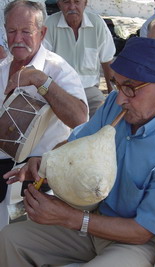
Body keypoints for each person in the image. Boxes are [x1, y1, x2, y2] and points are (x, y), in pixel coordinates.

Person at [1, 37, 155, 267]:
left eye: (131, 87)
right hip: (98, 219)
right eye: (117, 84)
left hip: (147, 242)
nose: (121, 97)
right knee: (10, 239)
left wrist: (70, 218)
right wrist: (45, 160)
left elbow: (143, 231)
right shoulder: (117, 102)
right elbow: (77, 144)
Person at [0, 0, 88, 231]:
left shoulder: (57, 69)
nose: (18, 38)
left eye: (26, 32)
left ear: (42, 32)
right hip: (3, 163)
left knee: (14, 233)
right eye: (11, 31)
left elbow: (80, 119)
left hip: (36, 172)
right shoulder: (2, 68)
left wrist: (42, 82)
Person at [44, 0, 116, 118]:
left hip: (89, 91)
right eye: (66, 2)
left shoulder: (97, 24)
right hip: (59, 90)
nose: (72, 7)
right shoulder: (49, 24)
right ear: (59, 4)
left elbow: (107, 61)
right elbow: (42, 62)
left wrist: (112, 95)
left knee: (104, 119)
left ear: (85, 3)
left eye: (77, 2)